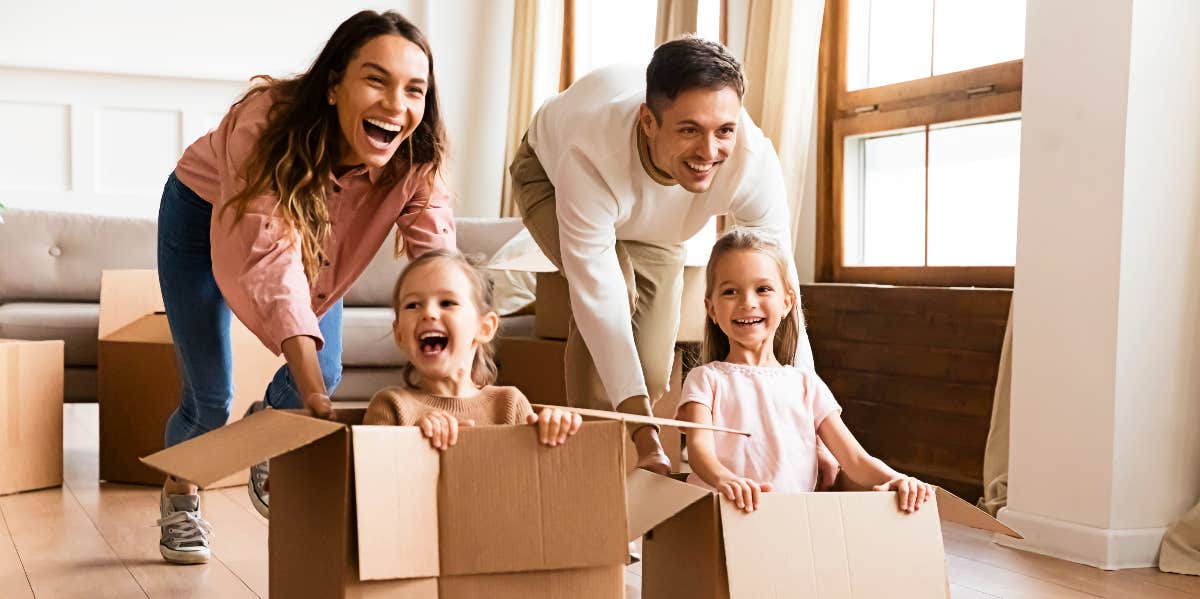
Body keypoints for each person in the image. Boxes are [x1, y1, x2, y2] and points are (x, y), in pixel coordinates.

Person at [154, 10, 454, 564]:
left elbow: (437, 258)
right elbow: (270, 260)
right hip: (202, 217)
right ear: (335, 84)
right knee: (209, 399)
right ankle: (181, 496)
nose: (396, 105)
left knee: (327, 368)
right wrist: (311, 398)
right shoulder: (266, 124)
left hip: (315, 233)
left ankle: (268, 429)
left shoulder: (416, 157)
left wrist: (465, 361)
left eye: (415, 89)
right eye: (376, 79)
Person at [508, 36, 825, 475]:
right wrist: (646, 438)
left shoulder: (753, 162)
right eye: (689, 130)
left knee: (652, 369)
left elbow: (782, 292)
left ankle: (632, 454)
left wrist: (817, 429)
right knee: (614, 290)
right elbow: (601, 302)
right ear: (649, 122)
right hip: (550, 176)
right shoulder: (588, 153)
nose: (709, 152)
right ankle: (588, 472)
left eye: (724, 131)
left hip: (656, 225)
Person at [677, 229, 935, 514]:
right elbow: (700, 449)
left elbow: (855, 459)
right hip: (722, 516)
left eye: (762, 289)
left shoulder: (806, 384)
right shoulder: (705, 379)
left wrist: (896, 478)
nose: (747, 302)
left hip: (791, 523)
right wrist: (725, 479)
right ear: (711, 309)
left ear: (787, 302)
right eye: (730, 291)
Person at [363, 250, 583, 449]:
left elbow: (532, 477)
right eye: (412, 305)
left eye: (447, 303)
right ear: (399, 333)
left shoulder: (508, 403)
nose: (428, 313)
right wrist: (413, 442)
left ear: (484, 328)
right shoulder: (391, 406)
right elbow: (371, 480)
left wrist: (554, 431)